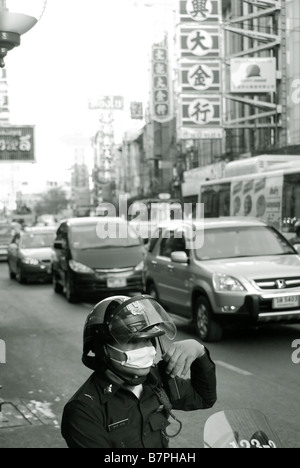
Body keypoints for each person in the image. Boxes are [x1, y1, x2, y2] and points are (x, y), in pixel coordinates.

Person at [61, 295, 217, 449]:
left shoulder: (157, 379)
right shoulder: (84, 411)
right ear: (103, 348)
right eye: (134, 341)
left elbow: (203, 398)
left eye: (149, 339)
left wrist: (200, 352)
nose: (146, 349)